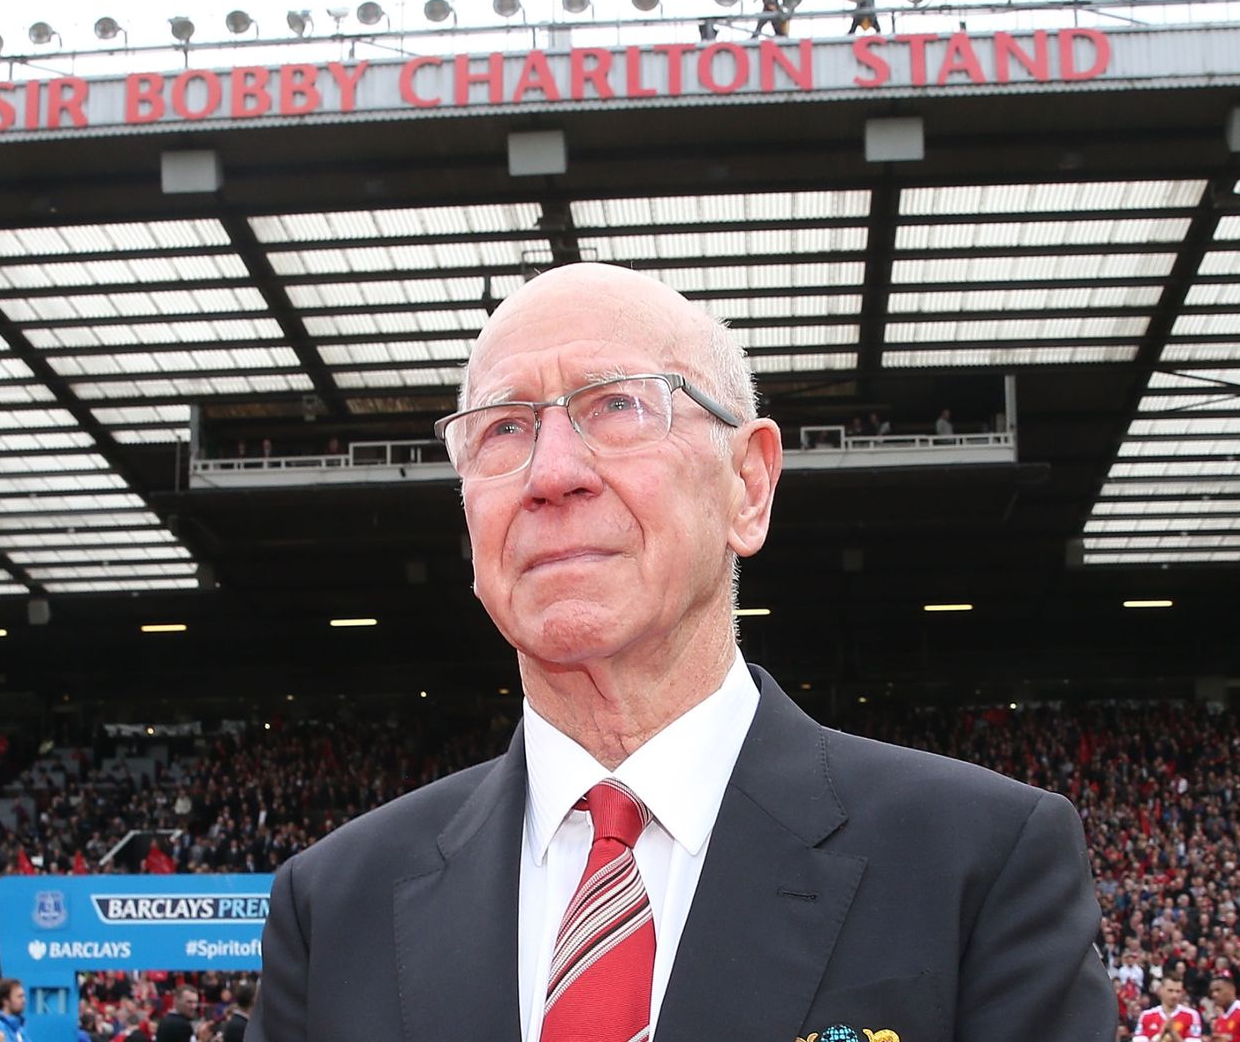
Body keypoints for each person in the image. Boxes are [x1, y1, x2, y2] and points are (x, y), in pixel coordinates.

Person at [249, 262, 1116, 1042]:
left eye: (617, 404)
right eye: (503, 430)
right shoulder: (332, 910)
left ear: (748, 485)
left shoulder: (982, 861)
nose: (552, 472)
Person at [1136, 977, 1203, 1038]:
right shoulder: (1146, 1016)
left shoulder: (1192, 1015)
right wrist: (1162, 1034)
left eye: (1178, 991)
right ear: (1161, 990)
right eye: (1170, 990)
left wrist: (1173, 1032)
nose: (1174, 995)